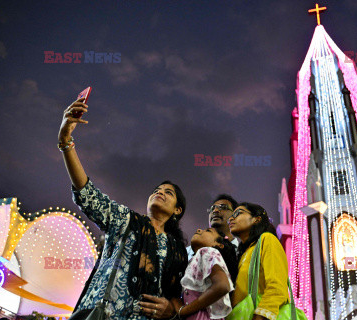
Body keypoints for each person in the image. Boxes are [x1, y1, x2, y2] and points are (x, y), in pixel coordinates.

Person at [59, 97, 188, 319]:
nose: (160, 192)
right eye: (157, 190)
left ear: (178, 210)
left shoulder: (179, 251)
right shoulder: (126, 220)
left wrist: (172, 309)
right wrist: (66, 141)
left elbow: (183, 295)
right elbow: (88, 194)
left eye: (168, 192)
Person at [228, 203, 288, 320]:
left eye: (238, 213)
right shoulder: (245, 253)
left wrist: (261, 315)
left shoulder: (267, 239)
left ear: (257, 219)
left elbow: (277, 287)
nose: (231, 218)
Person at [169, 228, 238, 320]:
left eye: (208, 231)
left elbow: (222, 286)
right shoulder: (195, 261)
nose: (198, 229)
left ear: (219, 245)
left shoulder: (207, 251)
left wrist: (184, 310)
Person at [187, 194, 239, 260]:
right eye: (212, 209)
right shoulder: (187, 252)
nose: (215, 211)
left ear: (235, 216)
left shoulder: (242, 253)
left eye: (223, 207)